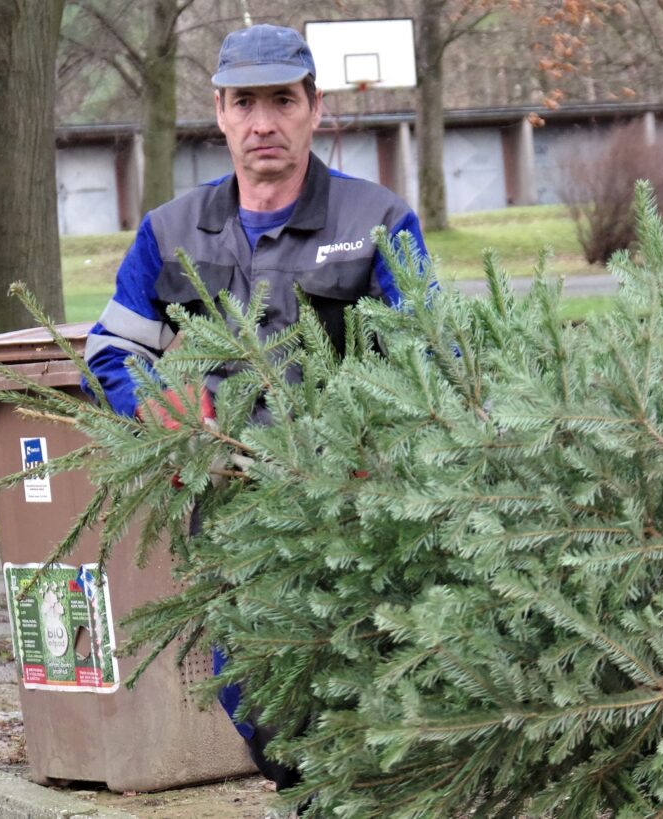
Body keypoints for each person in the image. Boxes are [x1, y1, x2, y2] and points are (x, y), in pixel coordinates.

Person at [82, 24, 427, 791]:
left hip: (352, 511)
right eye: (246, 102)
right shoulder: (171, 232)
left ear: (314, 108)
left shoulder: (375, 222)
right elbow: (111, 350)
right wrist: (156, 410)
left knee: (359, 696)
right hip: (231, 515)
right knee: (258, 699)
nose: (264, 121)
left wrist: (376, 442)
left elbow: (431, 353)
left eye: (282, 100)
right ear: (221, 113)